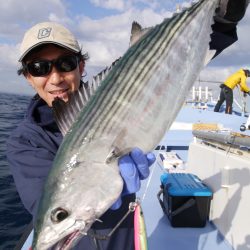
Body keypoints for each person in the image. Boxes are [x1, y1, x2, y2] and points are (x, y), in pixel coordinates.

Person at [6, 0, 249, 249]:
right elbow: (41, 202)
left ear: (81, 66)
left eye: (65, 64)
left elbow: (163, 56)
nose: (55, 77)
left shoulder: (117, 87)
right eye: (39, 68)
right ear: (27, 77)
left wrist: (223, 20)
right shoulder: (25, 142)